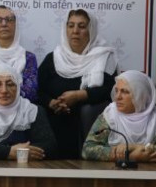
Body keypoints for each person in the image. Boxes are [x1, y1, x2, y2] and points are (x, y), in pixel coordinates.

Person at [38, 9, 117, 158]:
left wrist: (80, 95)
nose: (75, 31)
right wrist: (51, 102)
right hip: (55, 122)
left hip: (90, 128)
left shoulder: (104, 57)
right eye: (71, 25)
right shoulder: (53, 58)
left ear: (91, 30)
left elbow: (111, 90)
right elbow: (38, 90)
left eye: (82, 26)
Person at [82, 70, 156, 163]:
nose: (118, 97)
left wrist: (135, 147)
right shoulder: (110, 115)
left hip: (153, 173)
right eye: (117, 91)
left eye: (125, 92)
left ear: (141, 95)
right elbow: (88, 149)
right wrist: (129, 156)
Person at [0, 64, 56, 161]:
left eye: (10, 84)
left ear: (18, 87)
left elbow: (50, 147)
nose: (4, 90)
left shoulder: (32, 111)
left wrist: (19, 153)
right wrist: (8, 152)